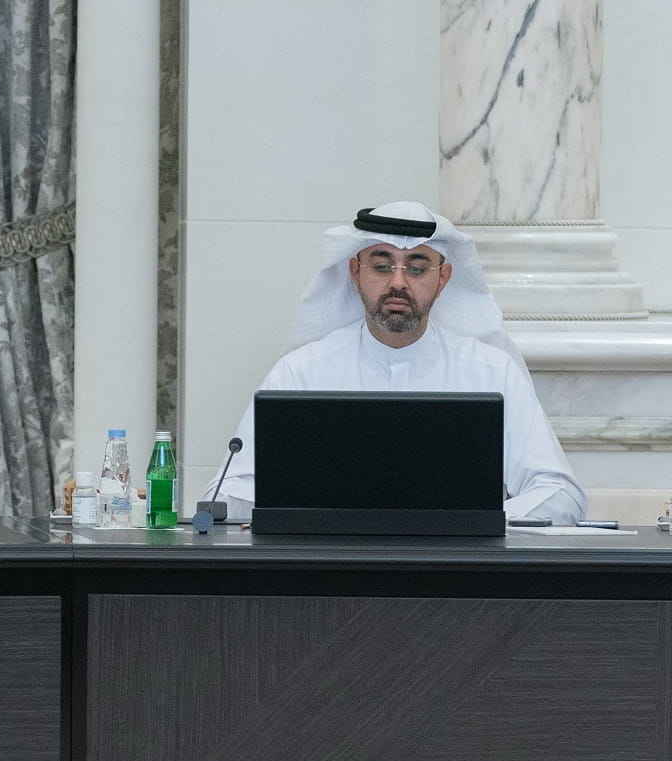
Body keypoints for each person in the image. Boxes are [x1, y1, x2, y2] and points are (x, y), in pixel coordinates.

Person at [208, 200, 586, 524]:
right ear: (355, 273)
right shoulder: (302, 372)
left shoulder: (491, 373)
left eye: (417, 267)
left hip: (458, 573)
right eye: (382, 266)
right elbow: (230, 490)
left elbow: (560, 494)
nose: (398, 283)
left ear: (443, 278)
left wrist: (474, 523)